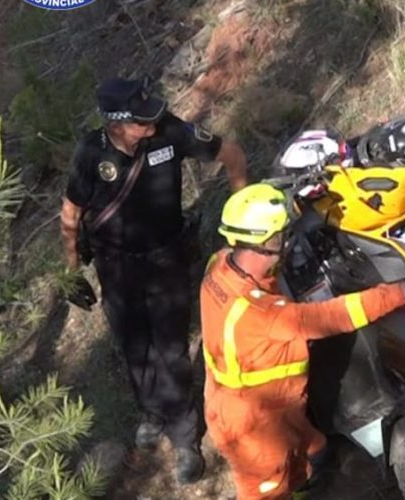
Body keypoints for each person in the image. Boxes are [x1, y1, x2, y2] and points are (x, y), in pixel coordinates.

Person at [200, 184, 405, 498]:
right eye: (282, 235)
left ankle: (305, 488)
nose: (285, 242)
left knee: (317, 449)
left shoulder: (219, 264)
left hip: (268, 407)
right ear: (268, 241)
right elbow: (335, 315)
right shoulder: (263, 314)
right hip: (254, 426)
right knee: (268, 489)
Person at [59, 77, 249, 483]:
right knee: (134, 344)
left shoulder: (171, 133)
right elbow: (71, 212)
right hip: (116, 267)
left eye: (153, 118)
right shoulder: (92, 153)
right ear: (116, 125)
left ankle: (184, 439)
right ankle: (151, 409)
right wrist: (71, 271)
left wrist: (243, 226)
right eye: (141, 121)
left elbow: (232, 156)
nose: (152, 125)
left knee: (171, 349)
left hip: (167, 261)